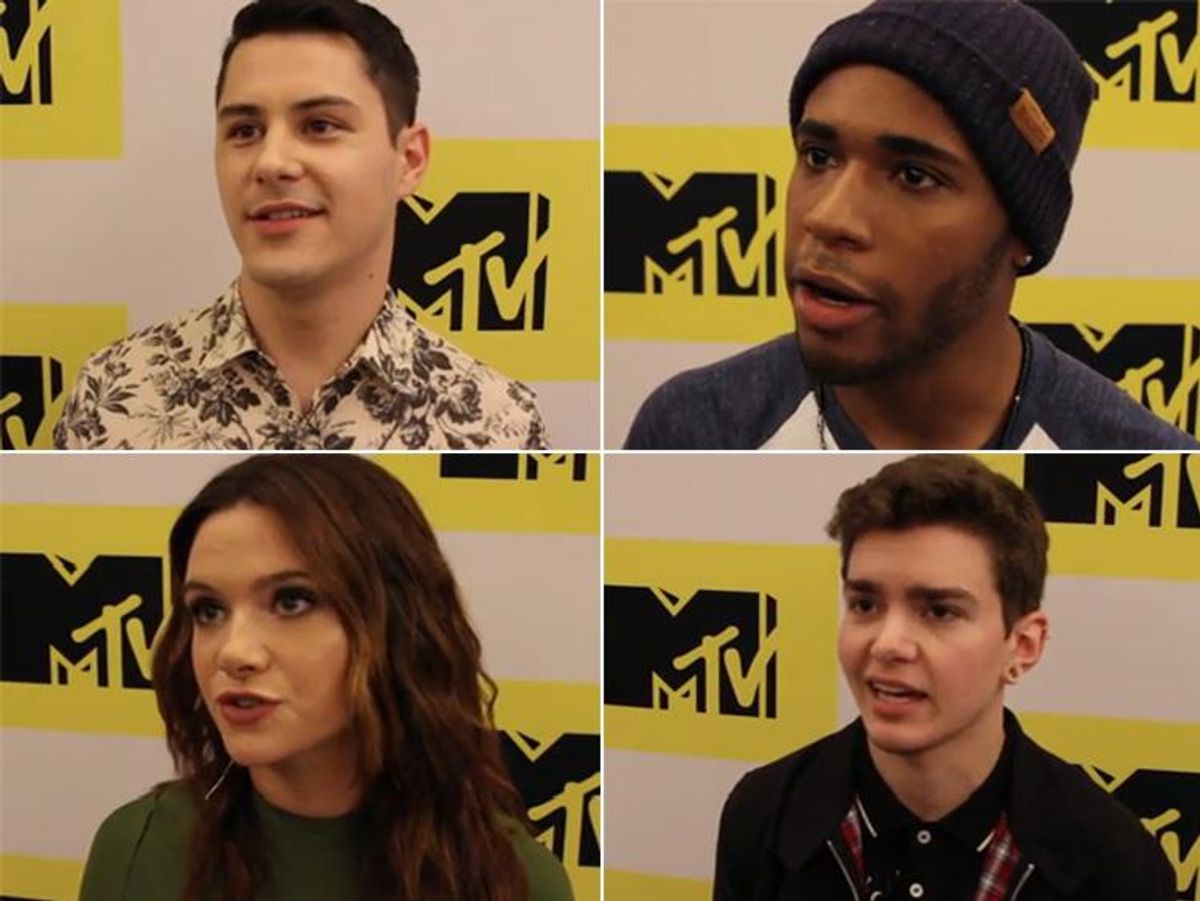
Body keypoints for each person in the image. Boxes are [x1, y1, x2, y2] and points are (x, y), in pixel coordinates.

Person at [625, 0, 1198, 451]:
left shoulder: (1144, 454)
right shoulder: (696, 426)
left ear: (1021, 232)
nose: (827, 217)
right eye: (819, 157)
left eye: (914, 176)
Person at [55, 0, 548, 450]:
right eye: (245, 131)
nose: (271, 162)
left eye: (320, 126)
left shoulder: (495, 423)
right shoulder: (115, 396)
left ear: (409, 159)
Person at [78, 455, 573, 900]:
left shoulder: (513, 880)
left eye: (291, 601)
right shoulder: (138, 851)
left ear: (396, 624)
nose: (233, 652)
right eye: (208, 610)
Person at [713, 455, 1174, 900]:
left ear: (1023, 645)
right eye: (865, 605)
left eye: (939, 611)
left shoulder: (1115, 863)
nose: (888, 643)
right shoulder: (765, 813)